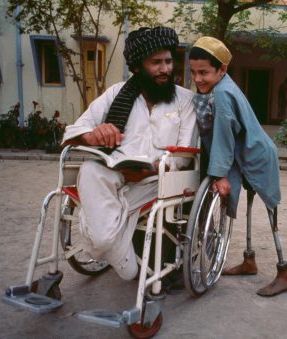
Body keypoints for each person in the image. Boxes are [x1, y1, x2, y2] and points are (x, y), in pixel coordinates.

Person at [60, 27, 197, 281]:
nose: (165, 69)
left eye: (168, 61)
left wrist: (154, 169)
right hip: (116, 171)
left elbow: (184, 157)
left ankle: (109, 249)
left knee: (100, 232)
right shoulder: (116, 93)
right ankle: (114, 241)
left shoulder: (185, 100)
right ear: (138, 66)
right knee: (89, 170)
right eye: (156, 62)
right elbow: (76, 128)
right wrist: (93, 135)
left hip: (157, 181)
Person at [188, 36, 287, 297]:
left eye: (204, 72)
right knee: (246, 208)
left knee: (271, 212)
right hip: (245, 153)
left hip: (256, 156)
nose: (198, 78)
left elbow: (223, 136)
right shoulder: (222, 86)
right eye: (193, 72)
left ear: (221, 69)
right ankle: (249, 261)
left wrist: (219, 174)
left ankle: (284, 272)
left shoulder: (223, 92)